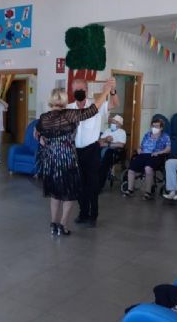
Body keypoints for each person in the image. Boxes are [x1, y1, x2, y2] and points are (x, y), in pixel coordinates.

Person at [36, 80, 115, 236]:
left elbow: (36, 133)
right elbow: (91, 111)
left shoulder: (44, 117)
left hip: (51, 159)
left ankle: (53, 224)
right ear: (64, 100)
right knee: (69, 193)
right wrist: (106, 91)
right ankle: (63, 226)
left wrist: (42, 140)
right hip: (67, 158)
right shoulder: (69, 114)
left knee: (55, 194)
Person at [68, 79, 119, 227]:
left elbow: (114, 104)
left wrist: (112, 90)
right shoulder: (69, 107)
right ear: (72, 91)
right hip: (75, 151)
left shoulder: (97, 104)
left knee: (92, 184)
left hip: (91, 149)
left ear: (87, 90)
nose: (79, 92)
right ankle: (83, 213)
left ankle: (93, 215)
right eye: (76, 89)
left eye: (81, 89)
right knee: (79, 184)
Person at [123, 118, 171, 200]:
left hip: (155, 155)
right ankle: (130, 189)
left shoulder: (165, 136)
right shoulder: (147, 135)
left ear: (161, 128)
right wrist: (139, 149)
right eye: (153, 126)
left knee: (148, 168)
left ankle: (148, 192)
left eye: (157, 126)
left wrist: (159, 152)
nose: (154, 128)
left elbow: (168, 149)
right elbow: (141, 146)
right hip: (144, 154)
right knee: (131, 168)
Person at [98, 114, 126, 191]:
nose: (112, 124)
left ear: (119, 124)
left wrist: (108, 144)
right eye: (112, 122)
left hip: (114, 151)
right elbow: (100, 142)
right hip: (103, 149)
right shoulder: (107, 130)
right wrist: (106, 139)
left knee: (103, 164)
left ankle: (99, 186)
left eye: (114, 122)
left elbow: (121, 145)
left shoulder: (122, 132)